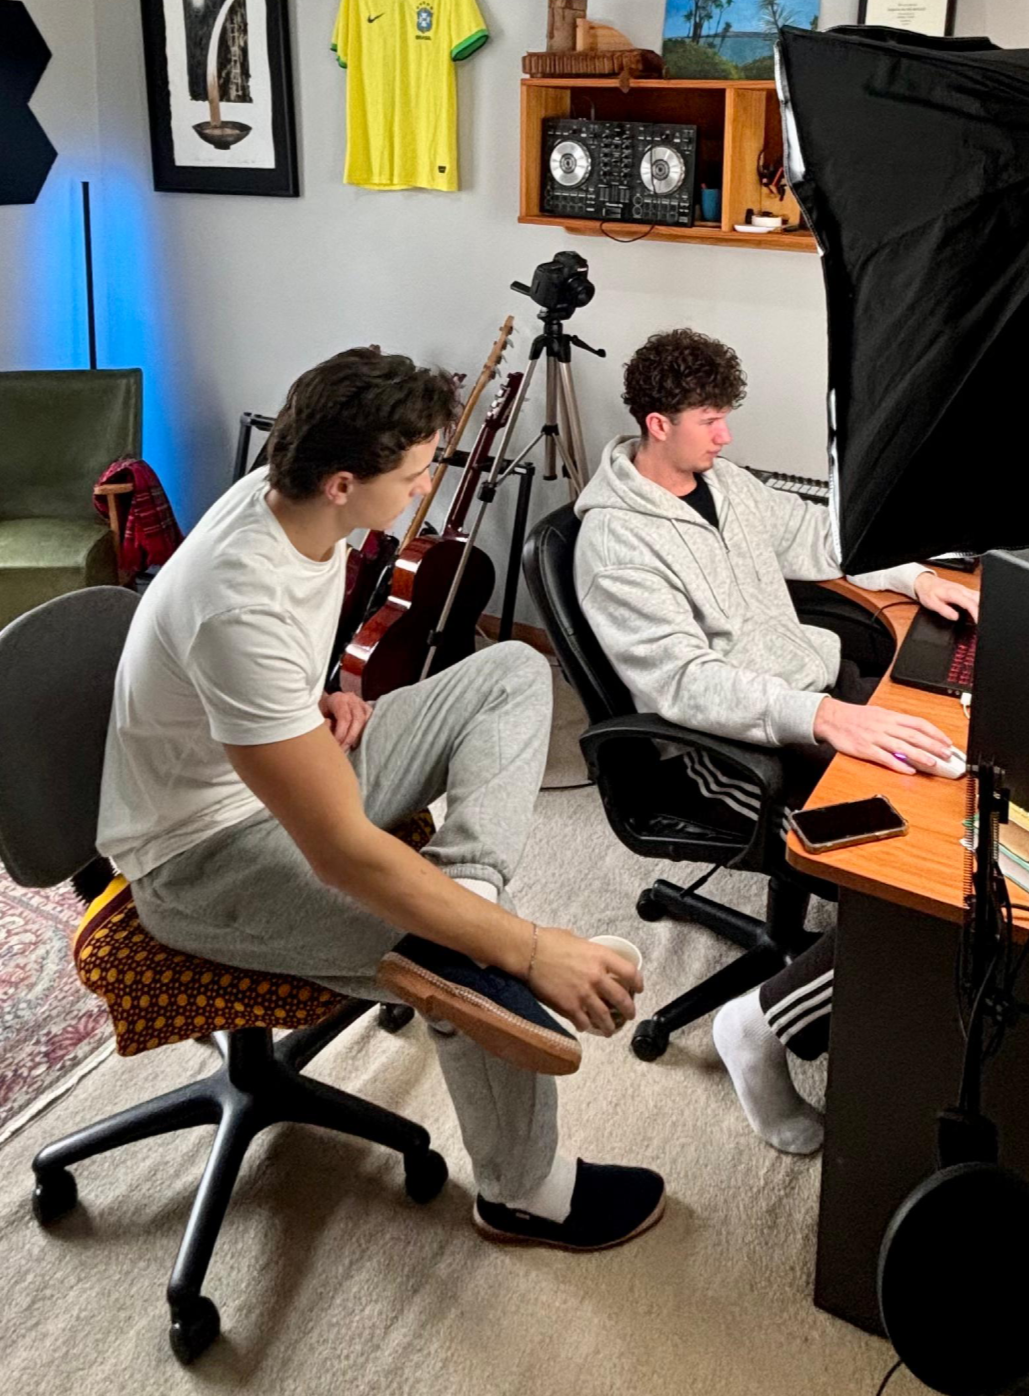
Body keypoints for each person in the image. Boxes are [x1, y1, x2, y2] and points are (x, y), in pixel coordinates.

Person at [96, 347, 664, 1249]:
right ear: (339, 481)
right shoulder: (235, 602)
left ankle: (466, 887)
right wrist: (524, 947)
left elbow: (256, 680)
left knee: (512, 672)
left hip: (280, 769)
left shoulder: (287, 505)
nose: (425, 484)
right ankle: (526, 1194)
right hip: (200, 857)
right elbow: (343, 854)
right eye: (414, 471)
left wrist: (301, 702)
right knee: (470, 959)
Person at [574, 328, 978, 1155]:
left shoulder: (722, 482)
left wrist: (917, 578)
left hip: (804, 700)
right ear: (657, 423)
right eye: (709, 420)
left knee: (955, 761)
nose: (726, 436)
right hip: (715, 754)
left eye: (726, 416)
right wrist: (826, 718)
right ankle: (752, 1032)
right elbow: (681, 686)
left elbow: (816, 540)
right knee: (911, 864)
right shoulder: (615, 543)